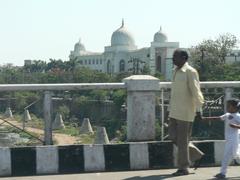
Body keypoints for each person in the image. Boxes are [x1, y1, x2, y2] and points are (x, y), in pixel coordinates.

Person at [168, 49, 205, 176]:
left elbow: (196, 91)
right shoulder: (175, 71)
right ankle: (196, 155)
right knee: (173, 136)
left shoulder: (190, 72)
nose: (173, 59)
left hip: (186, 112)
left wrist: (199, 110)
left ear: (184, 58)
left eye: (175, 57)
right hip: (174, 110)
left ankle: (183, 168)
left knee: (183, 141)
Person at [203, 99, 240, 179]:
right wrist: (206, 118)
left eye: (229, 106)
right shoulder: (227, 114)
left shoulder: (238, 116)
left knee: (236, 156)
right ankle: (222, 173)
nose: (226, 107)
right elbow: (218, 118)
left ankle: (222, 173)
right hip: (229, 140)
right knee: (226, 157)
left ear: (235, 108)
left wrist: (235, 126)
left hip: (235, 140)